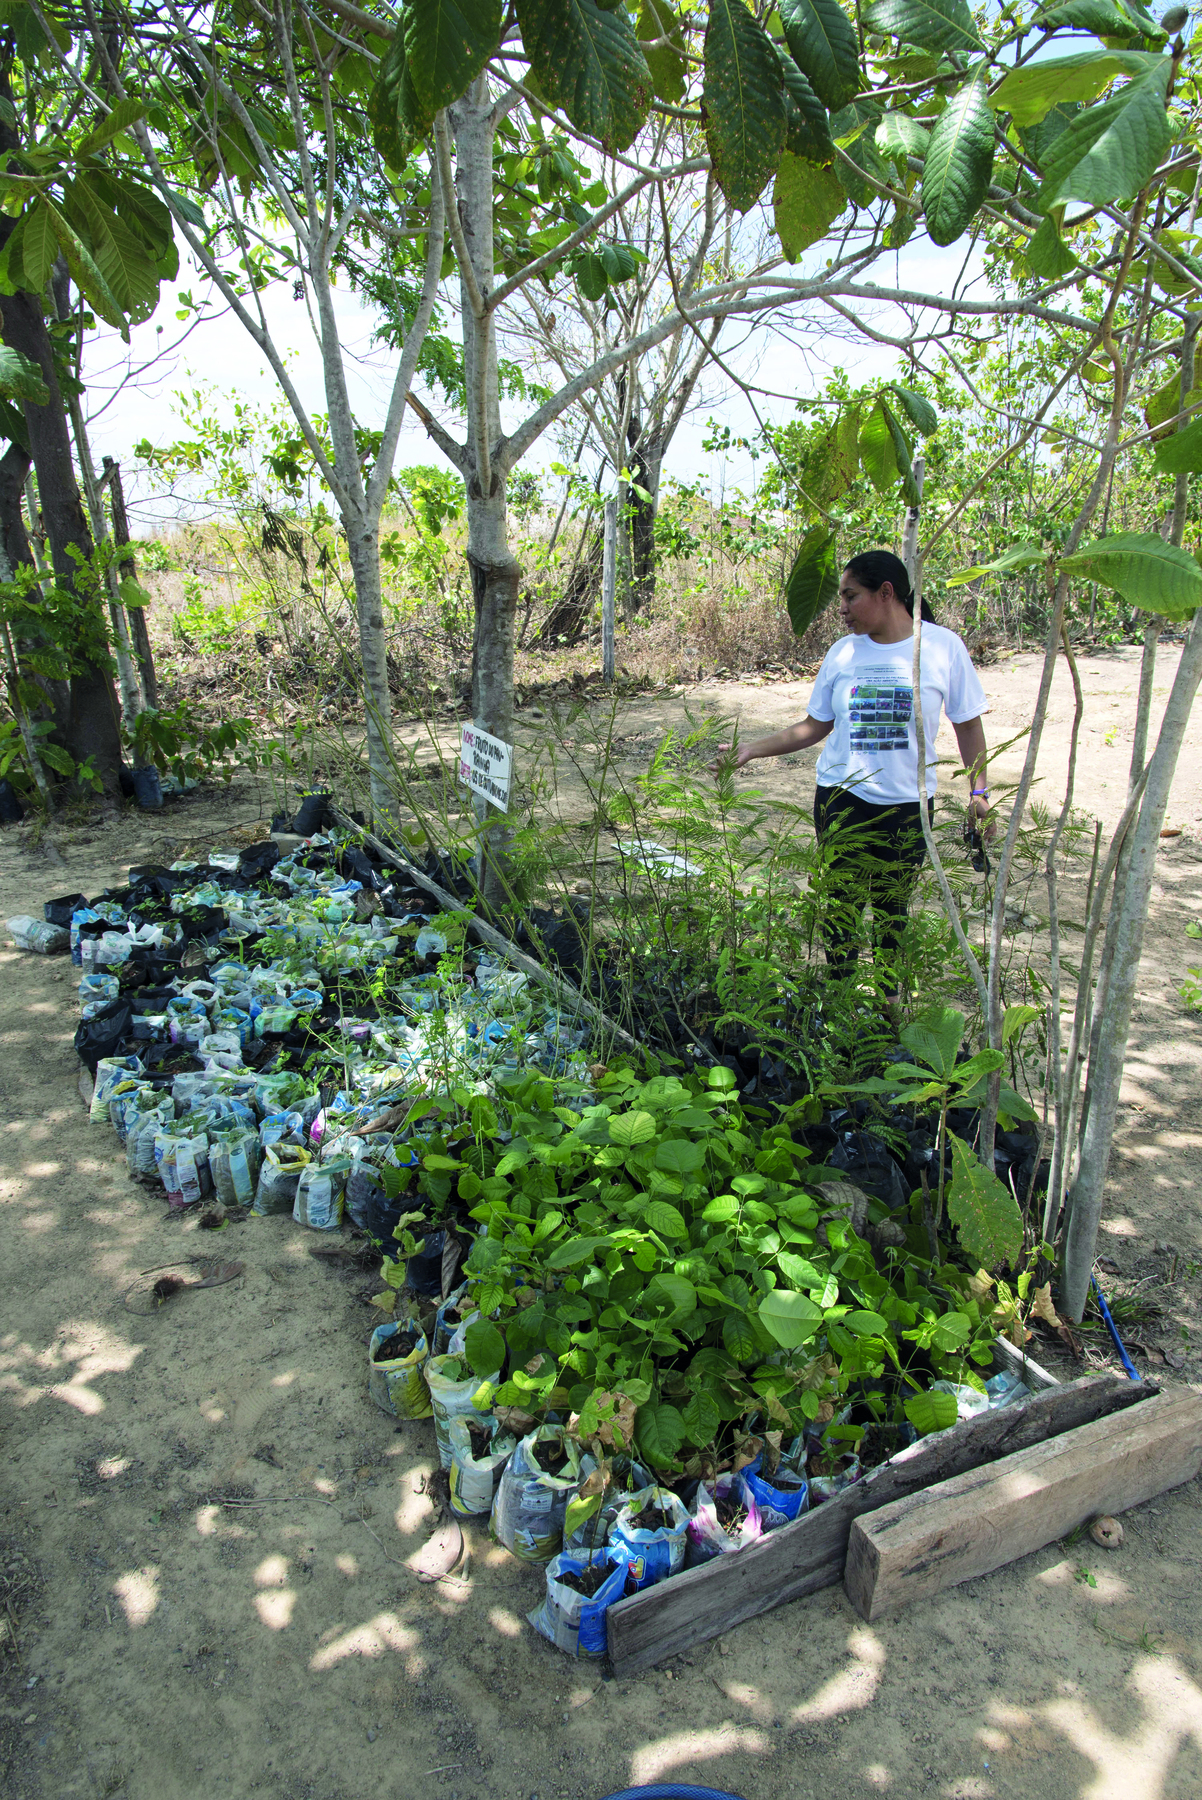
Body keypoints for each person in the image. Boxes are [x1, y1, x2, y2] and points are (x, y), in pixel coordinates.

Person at [713, 549, 993, 993]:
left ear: (886, 592)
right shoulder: (843, 653)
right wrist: (750, 749)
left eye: (850, 596)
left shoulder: (941, 647)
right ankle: (839, 997)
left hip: (907, 807)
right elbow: (814, 726)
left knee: (891, 910)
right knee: (840, 908)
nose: (841, 608)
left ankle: (886, 1007)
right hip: (841, 800)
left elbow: (968, 725)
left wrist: (980, 794)